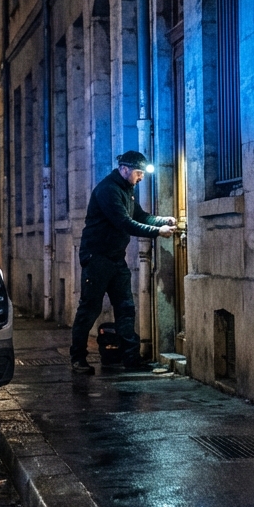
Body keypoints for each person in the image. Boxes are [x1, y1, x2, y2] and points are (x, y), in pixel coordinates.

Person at [70, 151, 176, 375]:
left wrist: (162, 220)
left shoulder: (127, 190)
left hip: (116, 259)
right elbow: (125, 223)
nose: (141, 178)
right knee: (89, 309)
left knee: (126, 308)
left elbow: (140, 216)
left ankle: (131, 359)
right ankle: (78, 358)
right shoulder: (108, 190)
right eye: (138, 173)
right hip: (97, 258)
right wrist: (158, 231)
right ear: (125, 169)